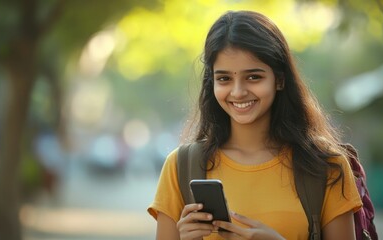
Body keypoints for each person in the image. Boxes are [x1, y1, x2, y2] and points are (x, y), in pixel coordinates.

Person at [148, 10, 362, 240]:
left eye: (253, 77)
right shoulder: (181, 166)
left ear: (279, 79)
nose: (238, 92)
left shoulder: (326, 165)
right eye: (224, 78)